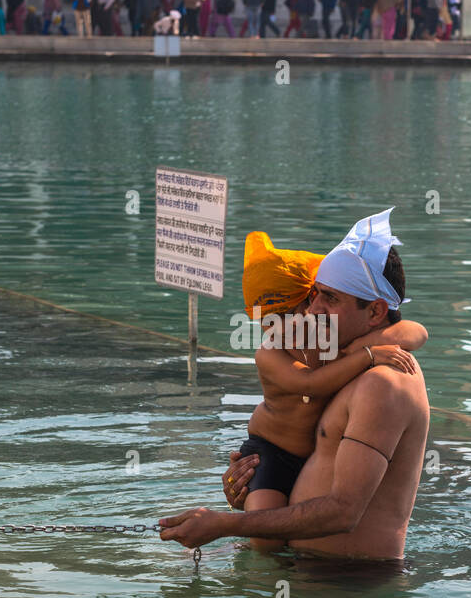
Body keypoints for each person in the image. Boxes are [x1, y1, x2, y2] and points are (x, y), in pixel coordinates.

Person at [161, 210, 431, 562]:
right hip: (299, 573)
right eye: (315, 294)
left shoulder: (383, 381)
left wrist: (224, 525)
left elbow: (343, 513)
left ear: (377, 312)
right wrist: (248, 489)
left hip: (344, 590)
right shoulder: (346, 362)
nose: (313, 310)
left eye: (330, 299)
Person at [224, 230, 426, 534]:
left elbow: (416, 331)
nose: (279, 328)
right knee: (259, 539)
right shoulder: (275, 353)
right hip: (267, 455)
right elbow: (311, 384)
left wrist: (222, 525)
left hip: (334, 573)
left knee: (256, 535)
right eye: (267, 320)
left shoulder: (377, 377)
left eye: (327, 298)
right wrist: (232, 514)